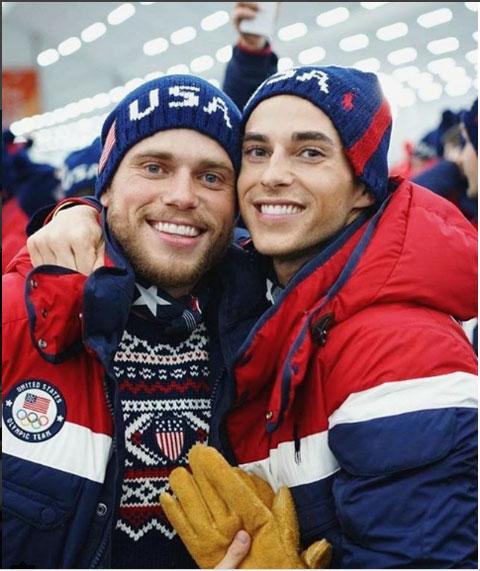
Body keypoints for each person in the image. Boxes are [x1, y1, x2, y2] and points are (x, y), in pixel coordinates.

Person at [22, 65, 478, 568]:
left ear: (364, 187)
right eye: (257, 152)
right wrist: (82, 217)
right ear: (106, 187)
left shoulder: (398, 344)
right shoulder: (260, 312)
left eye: (310, 152)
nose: (273, 175)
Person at [2, 73, 255, 569]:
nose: (183, 195)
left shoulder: (264, 332)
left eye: (211, 176)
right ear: (106, 191)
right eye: (155, 167)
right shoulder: (17, 320)